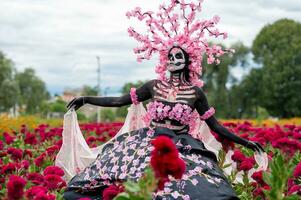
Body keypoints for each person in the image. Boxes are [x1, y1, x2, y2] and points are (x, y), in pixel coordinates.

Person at [60, 1, 266, 199]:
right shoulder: (154, 86)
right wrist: (86, 99)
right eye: (170, 57)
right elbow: (120, 100)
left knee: (196, 189)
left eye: (178, 57)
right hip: (149, 141)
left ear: (187, 62)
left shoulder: (195, 93)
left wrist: (246, 142)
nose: (173, 60)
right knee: (118, 181)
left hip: (182, 146)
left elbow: (216, 127)